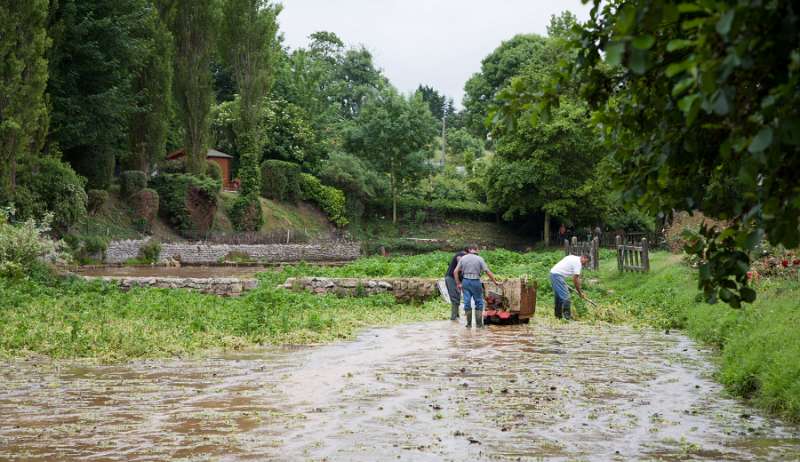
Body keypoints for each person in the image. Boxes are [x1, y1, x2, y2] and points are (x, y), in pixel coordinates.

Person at [454, 245, 498, 328]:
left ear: (470, 250)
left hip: (465, 282)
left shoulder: (463, 258)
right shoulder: (479, 259)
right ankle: (479, 325)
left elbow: (455, 272)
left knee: (467, 302)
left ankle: (469, 324)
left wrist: (458, 283)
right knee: (478, 302)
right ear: (476, 250)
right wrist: (494, 281)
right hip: (476, 282)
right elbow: (487, 271)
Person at [549, 254, 590, 320]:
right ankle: (567, 317)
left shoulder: (572, 257)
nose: (584, 264)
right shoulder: (578, 263)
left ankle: (558, 316)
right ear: (583, 258)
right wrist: (580, 292)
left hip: (553, 273)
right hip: (557, 276)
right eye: (585, 262)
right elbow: (575, 280)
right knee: (566, 297)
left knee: (559, 297)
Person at [444, 247, 468, 320]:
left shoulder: (465, 256)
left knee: (457, 297)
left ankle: (457, 317)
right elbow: (459, 267)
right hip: (451, 278)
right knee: (455, 299)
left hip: (457, 279)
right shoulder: (461, 254)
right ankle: (453, 318)